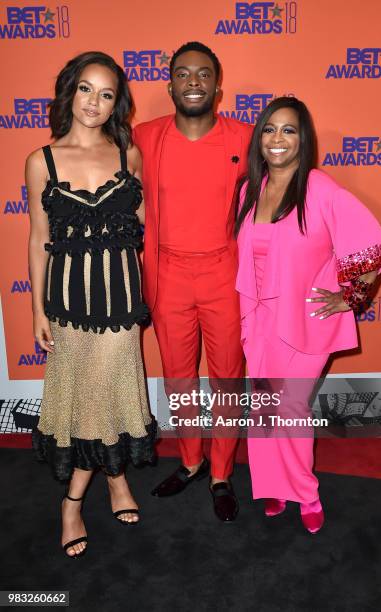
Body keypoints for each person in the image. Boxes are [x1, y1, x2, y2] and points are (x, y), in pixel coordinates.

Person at [235, 97, 381, 533]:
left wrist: (353, 295)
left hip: (305, 321)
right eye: (269, 129)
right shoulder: (251, 188)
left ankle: (305, 493)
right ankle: (273, 485)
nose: (277, 139)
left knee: (292, 407)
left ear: (303, 139)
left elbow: (372, 249)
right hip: (259, 319)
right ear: (259, 138)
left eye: (288, 130)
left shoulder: (321, 188)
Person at [27, 51, 155, 558]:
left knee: (109, 394)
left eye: (106, 94)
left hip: (121, 302)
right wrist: (37, 310)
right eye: (86, 89)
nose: (94, 103)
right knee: (86, 398)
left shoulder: (130, 156)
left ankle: (75, 499)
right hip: (68, 305)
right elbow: (39, 239)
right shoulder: (43, 161)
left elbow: (138, 230)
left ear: (116, 103)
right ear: (69, 91)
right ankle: (111, 483)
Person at [133, 41, 253, 522]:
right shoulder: (143, 136)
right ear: (170, 85)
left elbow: (286, 188)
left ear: (217, 87)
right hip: (168, 275)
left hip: (226, 272)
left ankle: (221, 473)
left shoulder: (245, 138)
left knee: (226, 379)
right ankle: (190, 462)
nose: (194, 82)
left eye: (203, 74)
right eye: (184, 74)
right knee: (179, 379)